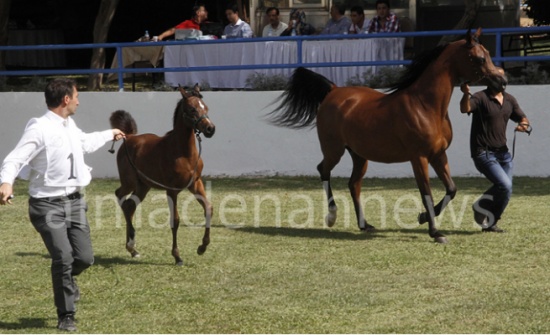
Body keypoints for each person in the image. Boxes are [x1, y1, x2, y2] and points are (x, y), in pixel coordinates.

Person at [0, 78, 126, 331]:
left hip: (75, 203)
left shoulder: (69, 124)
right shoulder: (39, 128)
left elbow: (85, 143)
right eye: (77, 96)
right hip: (46, 205)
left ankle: (65, 282)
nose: (79, 100)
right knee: (64, 258)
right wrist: (5, 183)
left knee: (85, 258)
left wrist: (109, 133)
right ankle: (66, 314)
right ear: (66, 99)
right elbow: (15, 159)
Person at [459, 68, 531, 233]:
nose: (502, 78)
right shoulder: (480, 97)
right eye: (497, 76)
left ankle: (491, 223)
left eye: (503, 74)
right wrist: (465, 94)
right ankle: (480, 206)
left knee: (507, 190)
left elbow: (523, 118)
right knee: (504, 185)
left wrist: (523, 125)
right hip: (483, 153)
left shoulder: (509, 100)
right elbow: (465, 109)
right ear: (490, 79)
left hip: (503, 154)